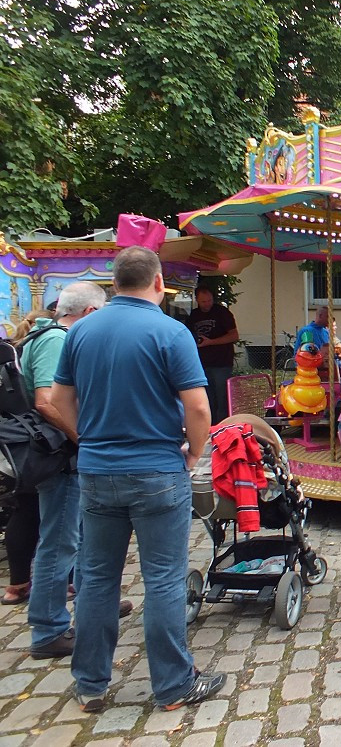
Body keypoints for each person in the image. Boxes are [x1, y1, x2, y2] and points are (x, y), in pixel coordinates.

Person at [51, 246, 222, 712]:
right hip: (157, 469)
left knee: (97, 579)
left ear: (113, 284)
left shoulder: (81, 331)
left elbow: (59, 399)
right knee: (163, 580)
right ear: (159, 283)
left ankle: (90, 684)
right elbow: (199, 407)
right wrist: (195, 452)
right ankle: (172, 685)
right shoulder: (170, 331)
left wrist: (88, 438)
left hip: (97, 471)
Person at [23, 284, 116, 660]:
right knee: (59, 541)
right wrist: (85, 438)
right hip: (61, 456)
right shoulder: (57, 341)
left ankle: (95, 602)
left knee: (78, 537)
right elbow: (47, 401)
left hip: (66, 455)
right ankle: (48, 628)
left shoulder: (54, 337)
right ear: (91, 313)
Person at [1, 309, 54, 606]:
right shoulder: (50, 342)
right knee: (53, 520)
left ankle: (18, 584)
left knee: (24, 509)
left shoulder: (19, 348)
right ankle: (61, 588)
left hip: (16, 441)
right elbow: (46, 402)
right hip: (40, 441)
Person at [185, 286, 239, 425]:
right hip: (202, 363)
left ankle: (223, 427)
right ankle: (209, 427)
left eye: (209, 300)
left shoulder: (222, 312)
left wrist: (211, 342)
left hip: (221, 363)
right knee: (207, 398)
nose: (207, 304)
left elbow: (234, 335)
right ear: (197, 300)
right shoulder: (194, 315)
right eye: (203, 301)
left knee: (222, 399)